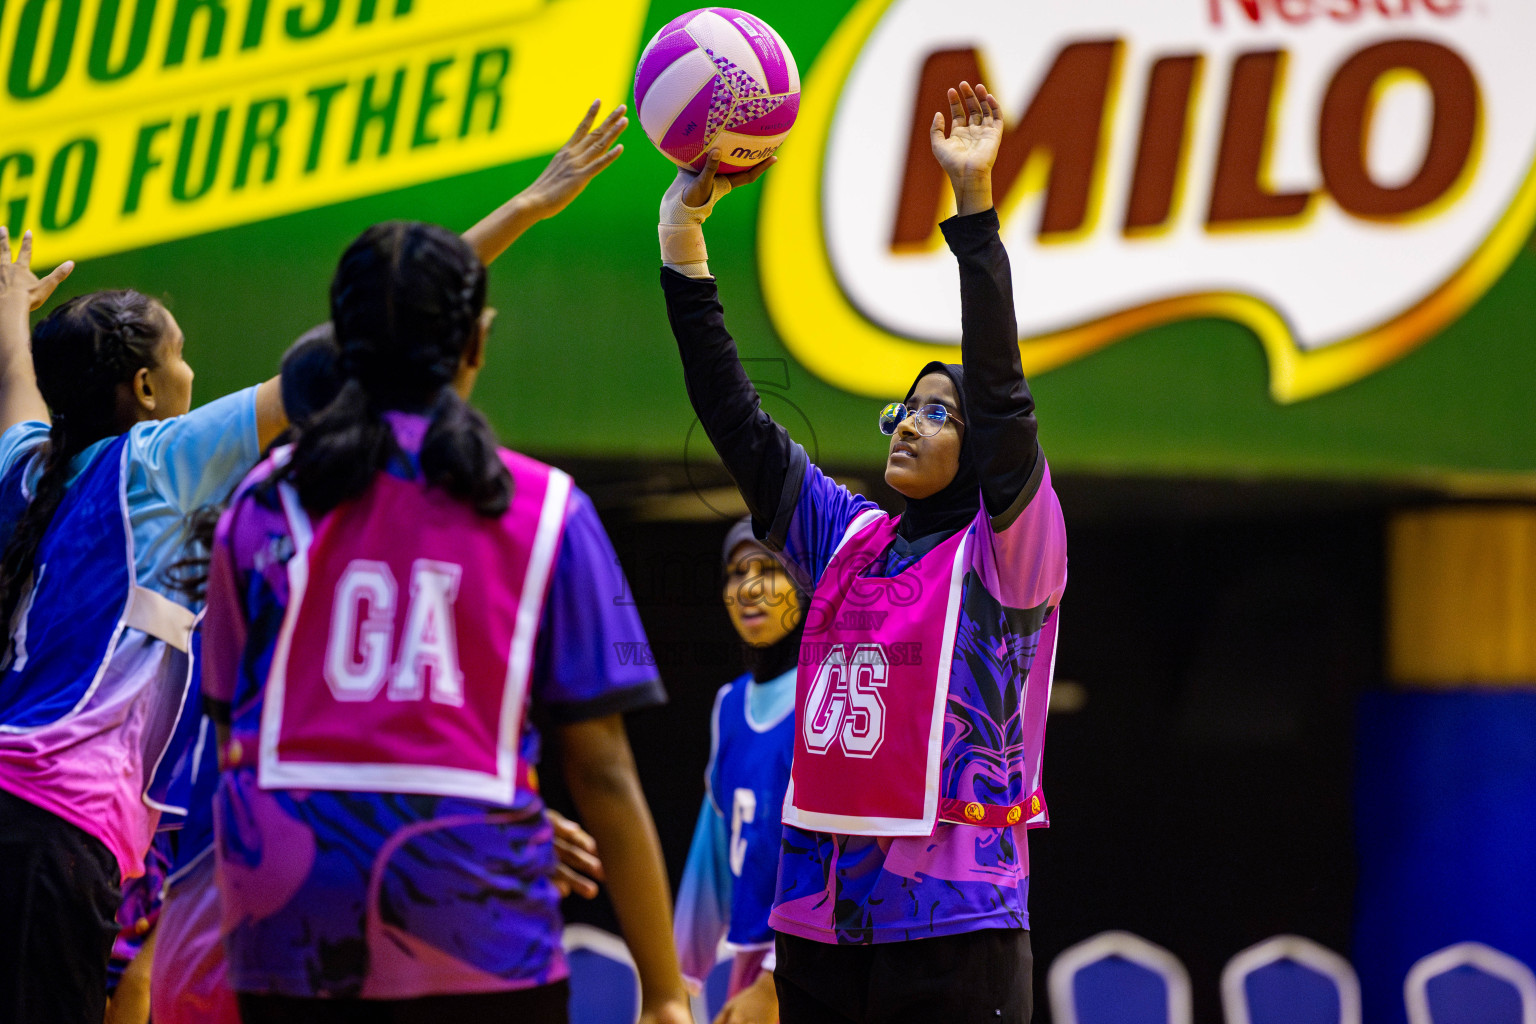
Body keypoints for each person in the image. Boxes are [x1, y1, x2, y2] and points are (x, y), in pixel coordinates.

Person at [0, 100, 629, 1024]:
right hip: (56, 830)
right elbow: (365, 339)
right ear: (146, 391)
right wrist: (527, 208)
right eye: (182, 360)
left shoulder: (22, 464)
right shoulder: (160, 461)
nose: (193, 374)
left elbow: (17, 380)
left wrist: (12, 307)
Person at [203, 217, 691, 1023]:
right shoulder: (550, 512)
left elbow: (228, 731)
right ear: (478, 342)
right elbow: (602, 768)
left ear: (342, 343)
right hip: (475, 919)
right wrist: (666, 993)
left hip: (285, 925)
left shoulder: (258, 505)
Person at [656, 82, 1067, 1023]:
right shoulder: (844, 537)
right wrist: (684, 243)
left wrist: (973, 209)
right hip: (820, 916)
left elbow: (1005, 401)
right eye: (908, 408)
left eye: (940, 412)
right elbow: (736, 418)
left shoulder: (1012, 557)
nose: (912, 423)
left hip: (955, 918)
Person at [675, 517, 805, 1024]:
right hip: (748, 965)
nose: (749, 587)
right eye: (736, 572)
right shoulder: (728, 704)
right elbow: (709, 856)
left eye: (770, 568)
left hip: (812, 968)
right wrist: (675, 984)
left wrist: (777, 980)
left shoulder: (832, 694)